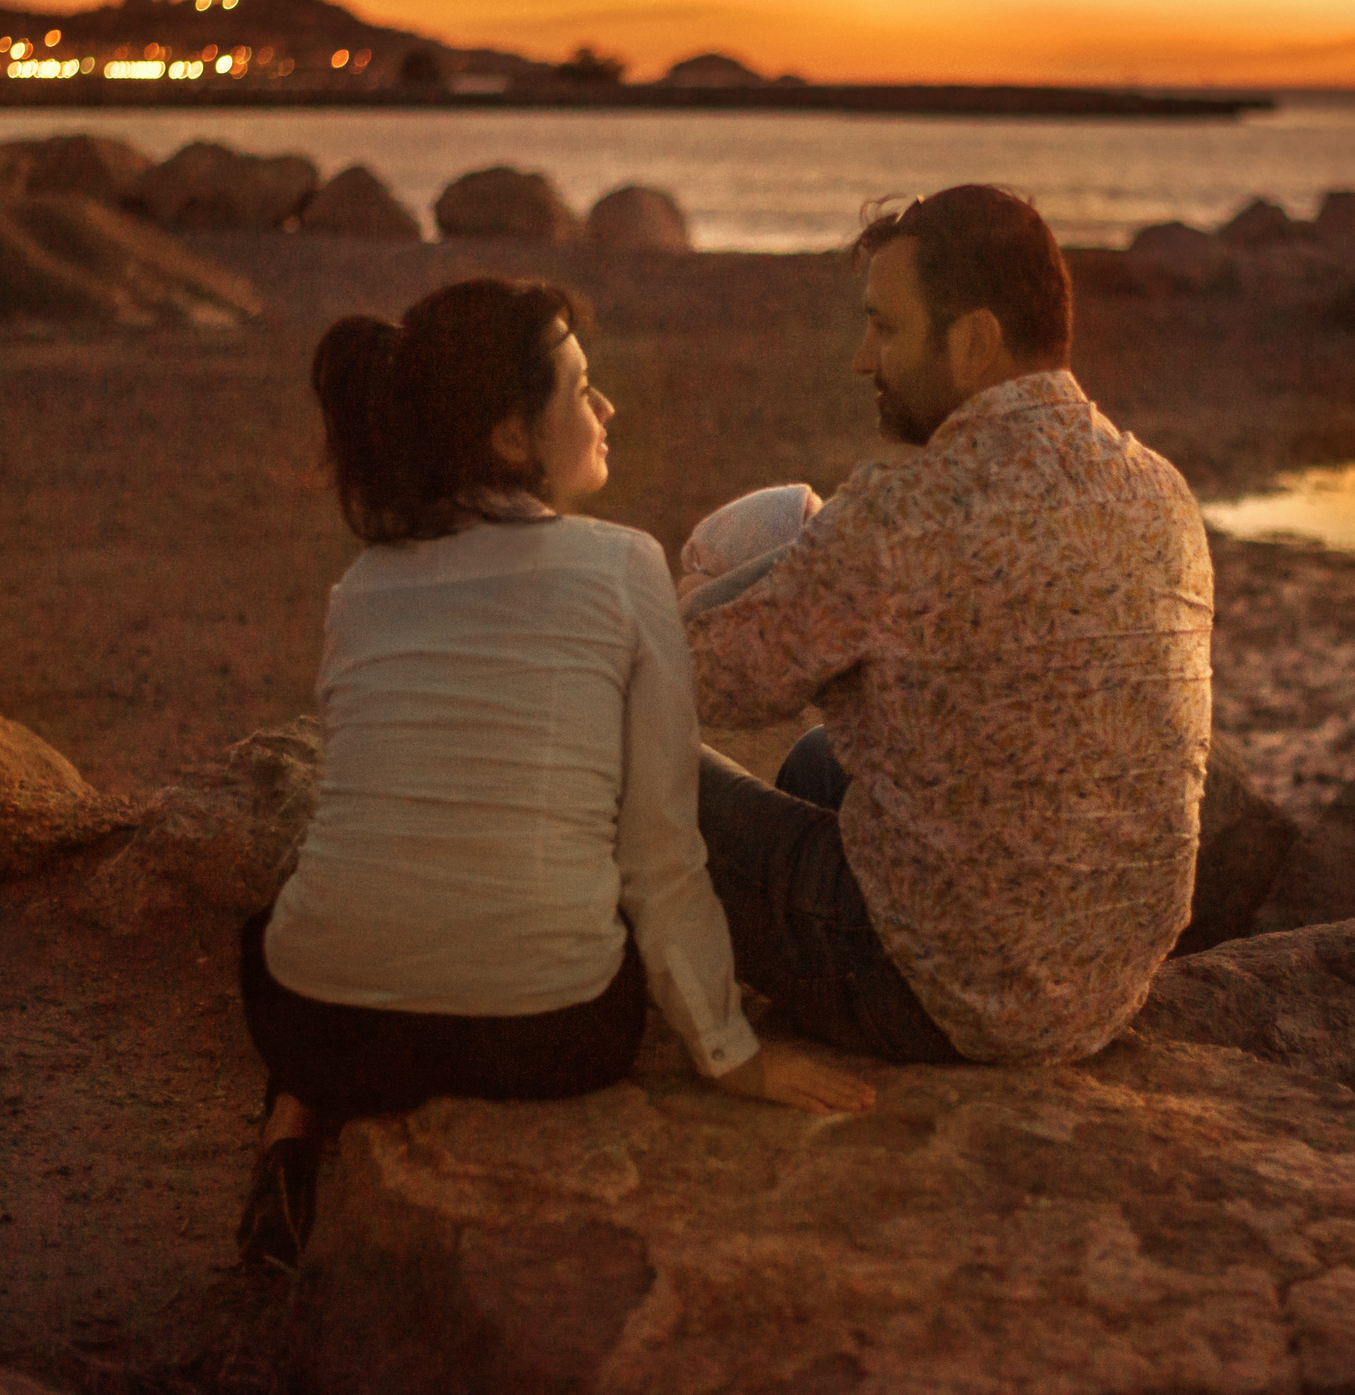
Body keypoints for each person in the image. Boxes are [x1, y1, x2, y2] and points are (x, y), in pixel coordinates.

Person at [236, 277, 872, 1271]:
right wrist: (730, 1051)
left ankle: (291, 1125)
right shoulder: (623, 567)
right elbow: (661, 848)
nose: (607, 406)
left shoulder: (361, 586)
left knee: (277, 923)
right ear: (506, 437)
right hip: (543, 1037)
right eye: (580, 388)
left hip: (328, 1025)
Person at [680, 185, 1214, 1067]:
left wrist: (747, 569)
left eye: (885, 329)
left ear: (973, 342)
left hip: (927, 994)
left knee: (643, 766)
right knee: (818, 761)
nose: (862, 359)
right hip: (1105, 986)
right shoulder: (1162, 490)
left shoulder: (906, 510)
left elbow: (694, 676)